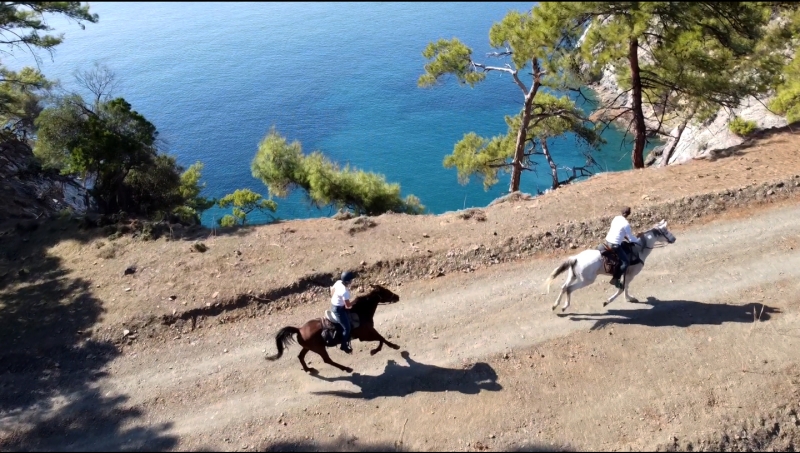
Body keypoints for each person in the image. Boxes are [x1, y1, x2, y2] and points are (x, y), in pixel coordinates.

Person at [604, 206, 640, 289]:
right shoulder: (626, 224)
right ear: (628, 214)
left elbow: (619, 232)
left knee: (624, 244)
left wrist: (625, 236)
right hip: (614, 245)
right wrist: (638, 240)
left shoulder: (616, 218)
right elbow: (631, 239)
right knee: (625, 262)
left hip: (607, 241)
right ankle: (615, 279)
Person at [330, 270, 357, 354]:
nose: (352, 281)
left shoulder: (338, 282)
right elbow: (348, 306)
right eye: (351, 280)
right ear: (348, 281)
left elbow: (331, 290)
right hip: (339, 310)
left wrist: (335, 298)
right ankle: (343, 345)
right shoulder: (345, 291)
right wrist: (355, 300)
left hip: (334, 304)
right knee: (347, 328)